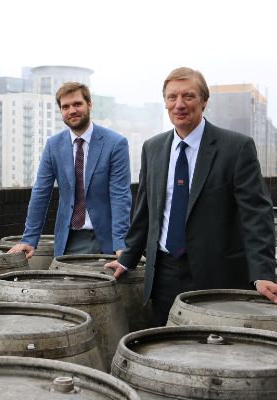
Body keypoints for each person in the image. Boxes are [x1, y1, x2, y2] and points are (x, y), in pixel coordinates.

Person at [105, 67, 277, 326]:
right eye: (172, 97)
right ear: (165, 103)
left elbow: (256, 216)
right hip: (163, 273)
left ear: (204, 101)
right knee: (167, 346)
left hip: (217, 273)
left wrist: (263, 273)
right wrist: (128, 258)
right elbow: (145, 213)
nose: (179, 104)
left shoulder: (236, 148)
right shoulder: (153, 148)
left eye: (189, 96)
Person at [8, 82, 131, 259]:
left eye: (77, 104)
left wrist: (121, 243)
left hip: (105, 240)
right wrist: (29, 238)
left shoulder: (115, 143)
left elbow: (120, 195)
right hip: (67, 240)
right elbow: (41, 191)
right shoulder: (53, 145)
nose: (72, 110)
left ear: (89, 104)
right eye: (65, 107)